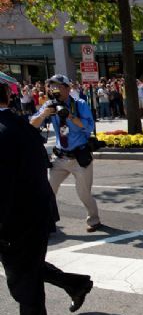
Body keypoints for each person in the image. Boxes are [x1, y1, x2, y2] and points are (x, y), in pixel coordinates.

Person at [0, 83, 94, 315]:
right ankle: (75, 284)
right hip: (34, 211)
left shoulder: (10, 129)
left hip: (17, 217)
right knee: (27, 266)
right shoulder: (21, 124)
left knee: (21, 277)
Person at [30, 74, 102, 233]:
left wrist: (69, 116)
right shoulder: (49, 105)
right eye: (51, 86)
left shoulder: (79, 104)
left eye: (57, 85)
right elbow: (32, 124)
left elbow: (88, 127)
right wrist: (43, 115)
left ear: (68, 88)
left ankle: (94, 219)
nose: (53, 89)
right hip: (59, 156)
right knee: (48, 190)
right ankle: (47, 222)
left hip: (79, 158)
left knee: (83, 193)